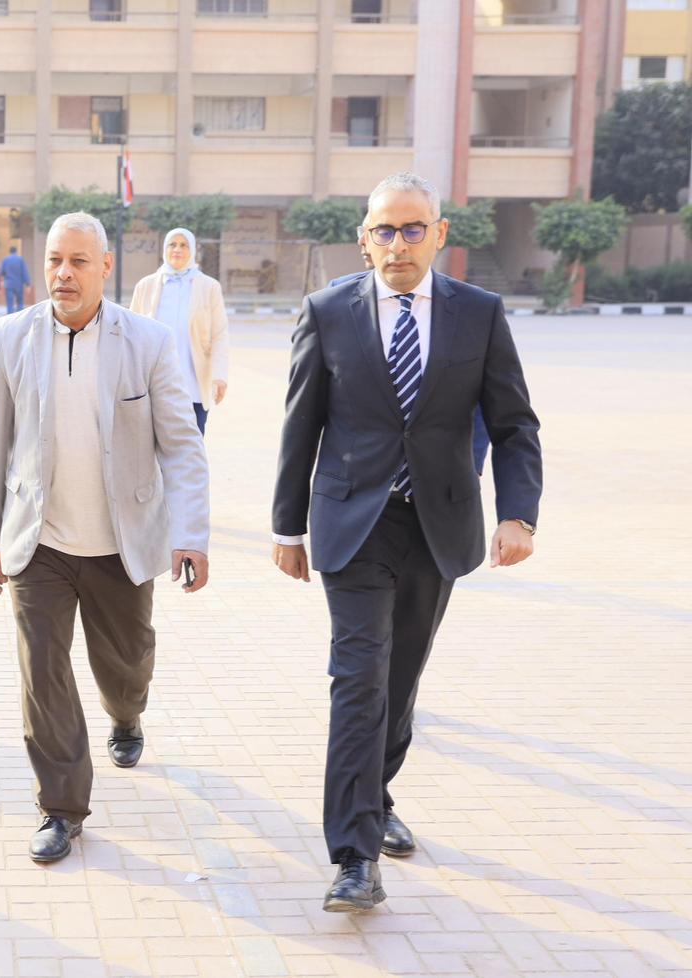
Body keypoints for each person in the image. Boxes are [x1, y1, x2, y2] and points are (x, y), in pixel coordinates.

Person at [272, 172, 542, 913]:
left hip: (436, 524)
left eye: (413, 228)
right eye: (384, 230)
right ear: (364, 239)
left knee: (399, 682)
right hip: (352, 524)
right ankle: (354, 856)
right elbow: (301, 425)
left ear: (439, 234)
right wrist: (287, 526)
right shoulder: (327, 312)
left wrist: (519, 515)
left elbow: (515, 423)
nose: (399, 243)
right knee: (358, 679)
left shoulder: (478, 314)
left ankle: (377, 796)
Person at [0, 212, 211, 864]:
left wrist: (191, 533)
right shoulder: (9, 337)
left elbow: (182, 446)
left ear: (106, 267)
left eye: (79, 261)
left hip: (121, 543)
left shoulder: (149, 342)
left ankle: (127, 712)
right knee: (42, 672)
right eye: (55, 260)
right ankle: (61, 808)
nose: (63, 273)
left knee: (126, 663)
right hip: (40, 543)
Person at [330, 235, 491, 476]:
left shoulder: (466, 305)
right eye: (370, 232)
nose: (362, 242)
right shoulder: (336, 299)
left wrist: (472, 464)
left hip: (438, 474)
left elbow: (482, 400)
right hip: (360, 474)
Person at [128, 227, 230, 435]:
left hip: (193, 386)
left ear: (192, 250)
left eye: (183, 245)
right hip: (154, 385)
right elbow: (131, 335)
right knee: (151, 445)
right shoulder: (146, 286)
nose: (177, 249)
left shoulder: (209, 287)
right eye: (172, 244)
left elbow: (219, 334)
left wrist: (219, 375)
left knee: (191, 446)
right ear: (164, 249)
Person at [0, 245, 31, 314]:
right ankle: (19, 317)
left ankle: (10, 317)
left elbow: (1, 272)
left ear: (10, 252)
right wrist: (28, 284)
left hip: (9, 284)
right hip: (19, 284)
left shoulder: (6, 260)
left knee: (10, 303)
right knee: (20, 302)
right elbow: (24, 272)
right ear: (16, 251)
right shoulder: (20, 260)